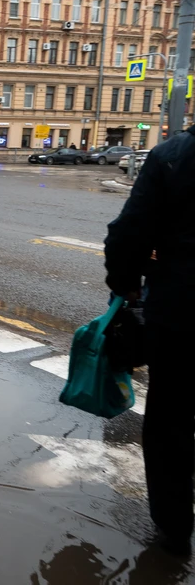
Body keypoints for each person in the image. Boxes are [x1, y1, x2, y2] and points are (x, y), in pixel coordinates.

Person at [105, 126, 195, 557]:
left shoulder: (175, 156)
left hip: (183, 311)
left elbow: (128, 234)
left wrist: (126, 288)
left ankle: (175, 530)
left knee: (172, 420)